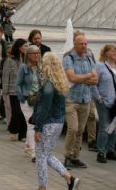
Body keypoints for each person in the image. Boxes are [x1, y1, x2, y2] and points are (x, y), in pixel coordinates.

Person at [33, 52, 81, 190]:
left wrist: (37, 128)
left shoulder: (48, 85)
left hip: (47, 124)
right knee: (47, 155)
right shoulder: (60, 84)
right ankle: (70, 179)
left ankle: (42, 187)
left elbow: (44, 108)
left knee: (41, 156)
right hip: (58, 122)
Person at [62, 34, 98, 169]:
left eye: (85, 44)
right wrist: (88, 76)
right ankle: (67, 157)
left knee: (81, 130)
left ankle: (75, 157)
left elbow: (96, 80)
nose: (84, 46)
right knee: (73, 128)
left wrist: (81, 78)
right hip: (71, 99)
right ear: (75, 44)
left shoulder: (89, 58)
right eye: (81, 44)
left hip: (86, 99)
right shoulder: (68, 58)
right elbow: (72, 78)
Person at [91, 44, 116, 164]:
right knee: (104, 126)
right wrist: (98, 97)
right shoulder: (99, 66)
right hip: (104, 101)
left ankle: (110, 151)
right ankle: (101, 151)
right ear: (105, 53)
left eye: (115, 51)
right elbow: (93, 83)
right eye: (111, 51)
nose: (114, 53)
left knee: (114, 126)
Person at [18, 44, 42, 160]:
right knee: (31, 124)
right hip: (27, 99)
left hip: (38, 99)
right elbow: (18, 84)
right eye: (34, 53)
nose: (37, 55)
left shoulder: (40, 67)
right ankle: (33, 151)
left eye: (38, 52)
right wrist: (22, 96)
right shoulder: (23, 68)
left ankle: (28, 146)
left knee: (34, 123)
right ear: (28, 55)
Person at [4, 38, 27, 142]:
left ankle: (22, 134)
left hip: (25, 90)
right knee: (17, 112)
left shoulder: (27, 59)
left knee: (24, 112)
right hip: (13, 90)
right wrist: (5, 90)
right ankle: (13, 130)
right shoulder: (10, 60)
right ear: (19, 47)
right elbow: (5, 75)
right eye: (25, 46)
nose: (27, 48)